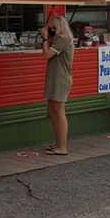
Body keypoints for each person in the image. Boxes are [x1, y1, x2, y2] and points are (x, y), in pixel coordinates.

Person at [41, 15, 74, 156]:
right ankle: (58, 143)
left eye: (53, 27)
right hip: (54, 77)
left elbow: (47, 55)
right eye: (49, 27)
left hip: (60, 79)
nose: (51, 30)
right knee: (52, 110)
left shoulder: (63, 39)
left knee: (59, 111)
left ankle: (63, 147)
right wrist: (48, 39)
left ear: (59, 27)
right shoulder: (56, 39)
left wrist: (44, 39)